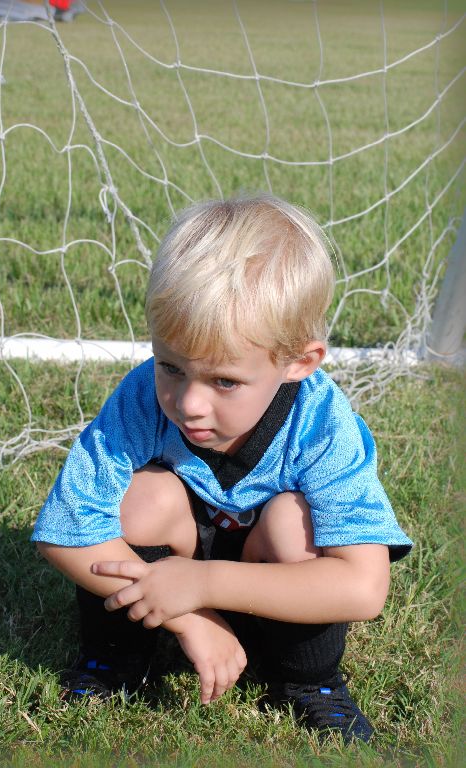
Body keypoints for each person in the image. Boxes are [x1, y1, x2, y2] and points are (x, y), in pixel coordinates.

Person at [32, 194, 412, 744]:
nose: (188, 402)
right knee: (142, 499)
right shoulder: (140, 397)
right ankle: (114, 658)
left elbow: (363, 587)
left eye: (225, 381)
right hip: (172, 572)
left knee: (294, 523)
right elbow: (65, 530)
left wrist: (205, 584)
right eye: (171, 366)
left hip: (267, 576)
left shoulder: (323, 423)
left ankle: (309, 681)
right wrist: (191, 617)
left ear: (299, 363)